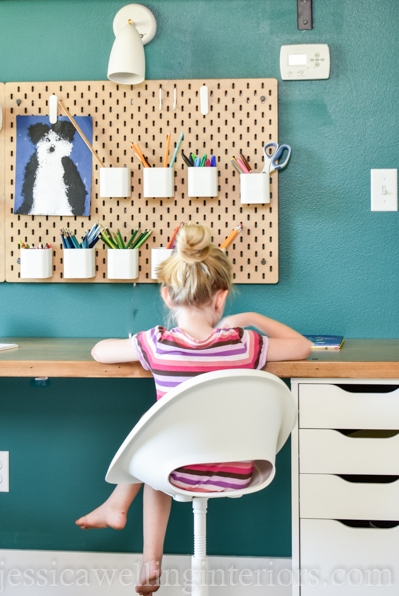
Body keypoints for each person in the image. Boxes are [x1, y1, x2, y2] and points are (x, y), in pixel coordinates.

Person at [76, 223, 311, 594]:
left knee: (157, 452)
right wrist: (250, 318)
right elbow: (301, 347)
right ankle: (117, 510)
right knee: (161, 448)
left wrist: (137, 345)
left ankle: (147, 558)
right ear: (221, 298)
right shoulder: (244, 344)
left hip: (176, 473)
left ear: (167, 296)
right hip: (237, 469)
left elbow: (98, 352)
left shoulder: (156, 344)